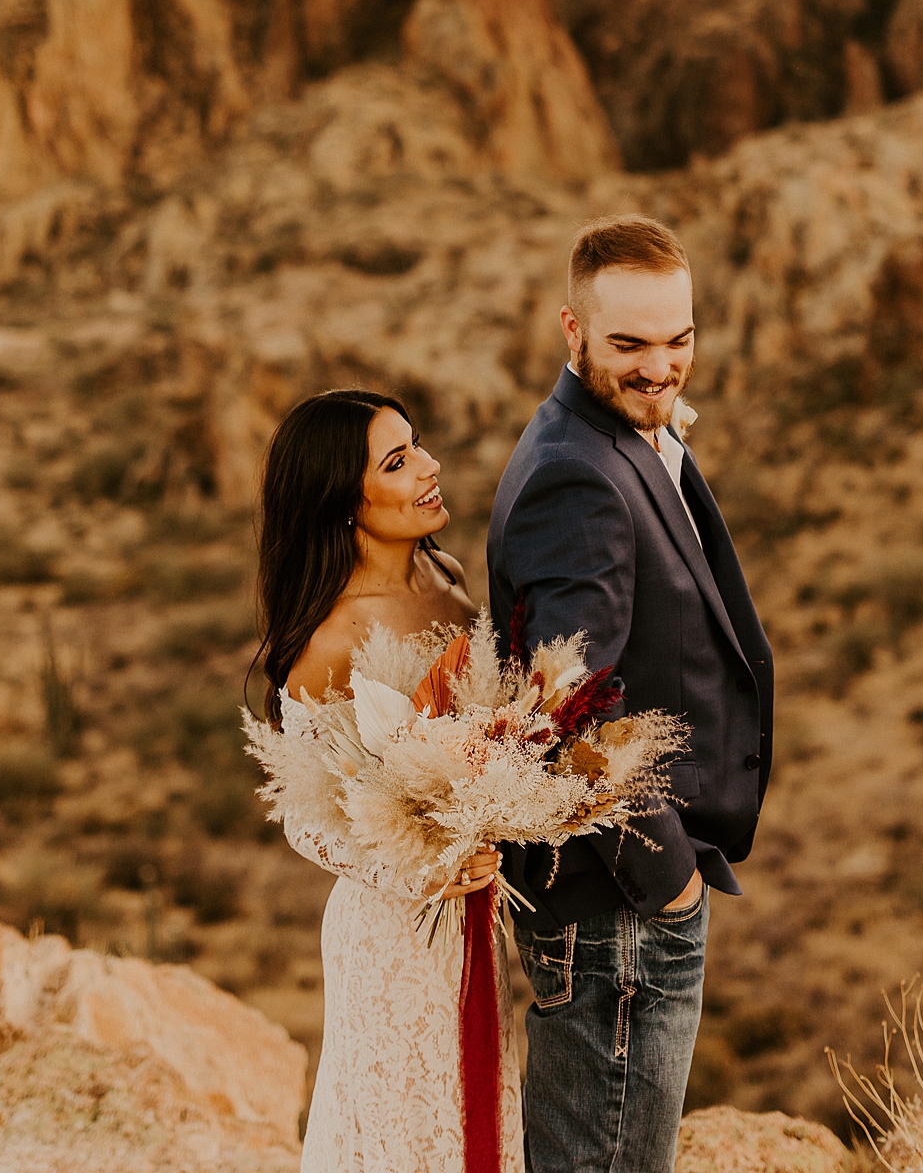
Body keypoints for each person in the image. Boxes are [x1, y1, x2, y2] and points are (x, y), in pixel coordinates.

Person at [488, 215, 773, 1173]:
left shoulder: (611, 436)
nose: (660, 368)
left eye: (678, 340)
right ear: (571, 331)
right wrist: (671, 886)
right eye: (629, 345)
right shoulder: (575, 472)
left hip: (624, 909)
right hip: (615, 913)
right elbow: (569, 712)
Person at [253, 388, 525, 1173]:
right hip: (395, 935)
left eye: (419, 447)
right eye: (398, 462)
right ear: (346, 500)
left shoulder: (444, 571)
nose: (430, 469)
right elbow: (306, 820)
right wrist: (422, 867)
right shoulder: (333, 634)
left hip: (479, 919)